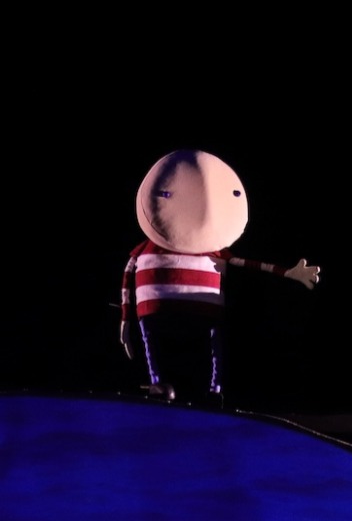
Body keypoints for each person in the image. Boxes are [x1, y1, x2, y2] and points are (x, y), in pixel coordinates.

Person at [119, 149, 320, 405]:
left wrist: (288, 273)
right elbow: (127, 281)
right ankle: (166, 383)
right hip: (166, 305)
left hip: (194, 307)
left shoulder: (209, 251)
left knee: (208, 341)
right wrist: (125, 320)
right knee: (177, 340)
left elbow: (247, 263)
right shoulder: (147, 251)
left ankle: (213, 388)